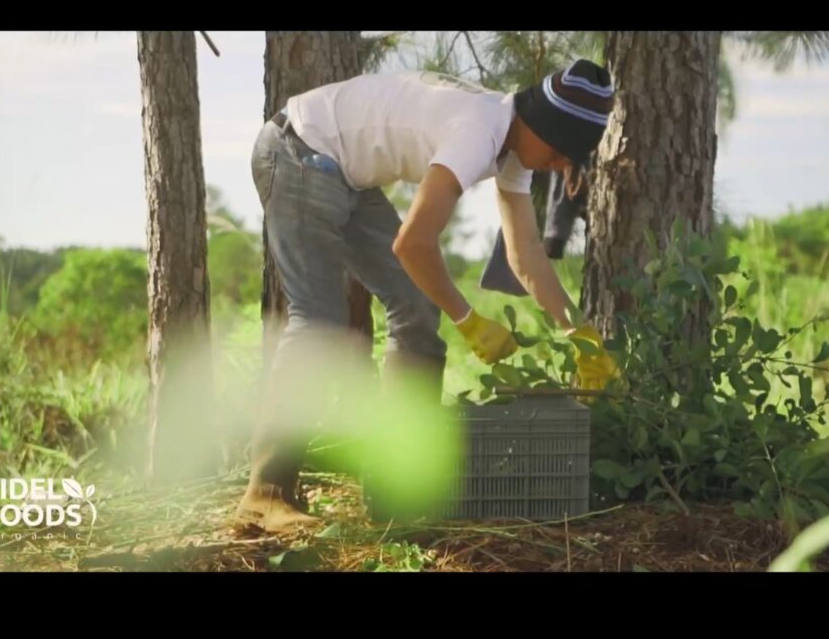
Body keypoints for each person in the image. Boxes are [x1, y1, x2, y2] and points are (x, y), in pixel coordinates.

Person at [238, 59, 620, 532]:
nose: (562, 166)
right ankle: (266, 493)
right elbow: (413, 244)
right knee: (317, 320)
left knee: (417, 310)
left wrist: (579, 333)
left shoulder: (514, 148)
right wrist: (469, 321)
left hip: (346, 174)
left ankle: (400, 486)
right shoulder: (479, 130)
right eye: (561, 152)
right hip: (298, 151)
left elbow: (525, 256)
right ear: (541, 123)